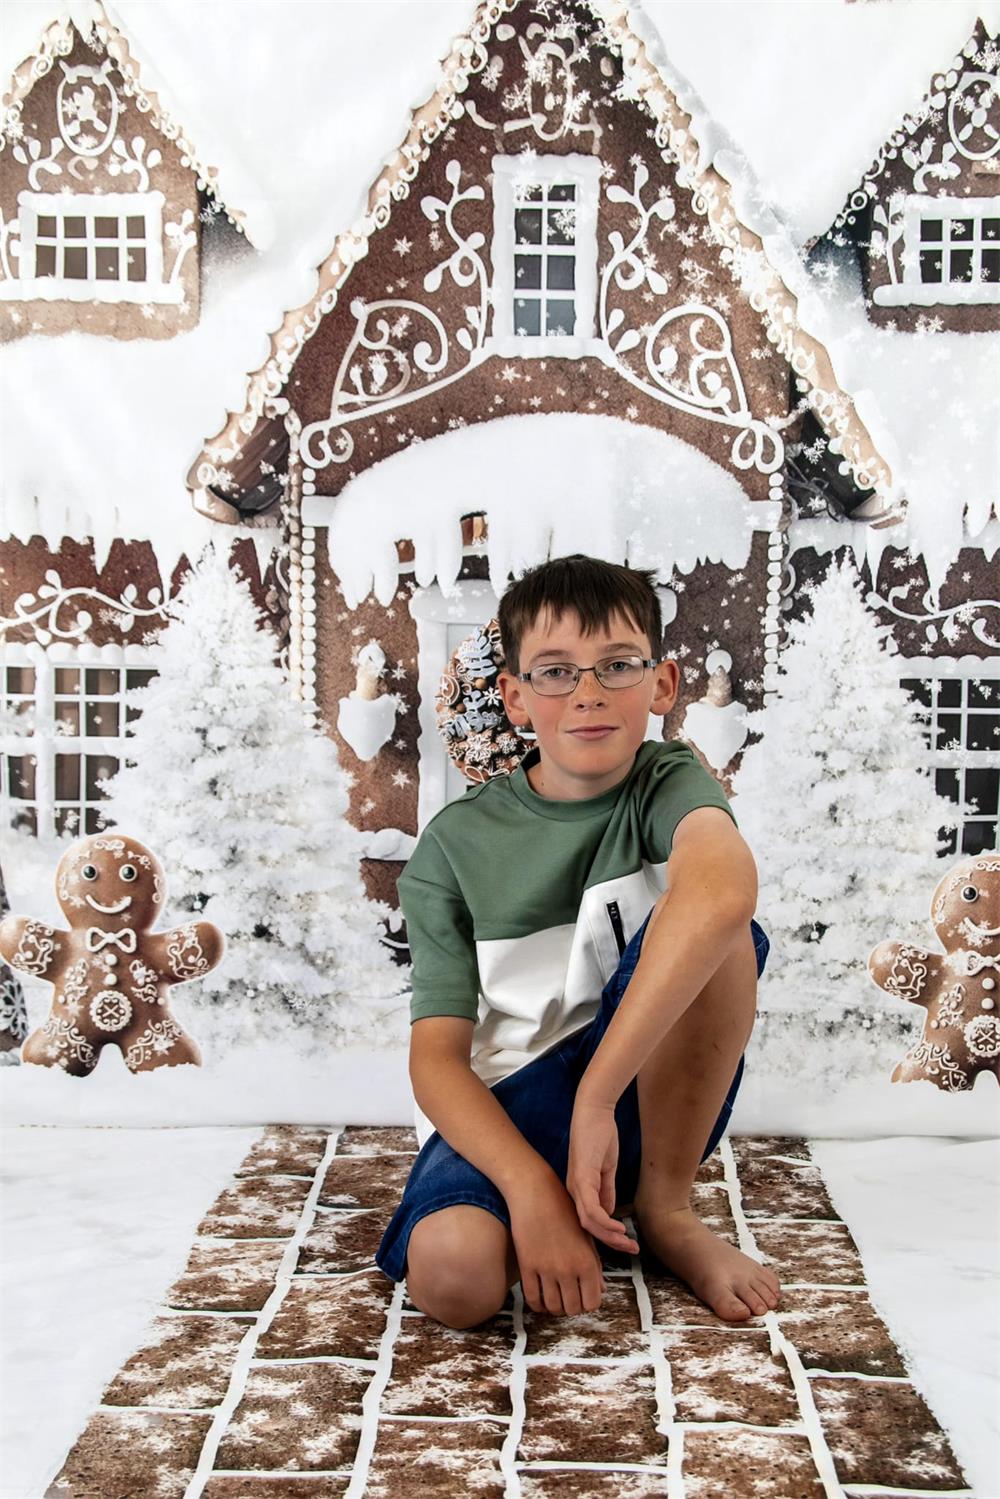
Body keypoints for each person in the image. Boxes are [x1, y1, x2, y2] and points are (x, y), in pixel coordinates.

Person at [375, 553, 778, 1329]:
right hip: (504, 1109)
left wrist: (596, 1095)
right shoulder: (453, 848)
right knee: (456, 1280)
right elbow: (435, 1060)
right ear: (516, 699)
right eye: (556, 672)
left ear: (662, 685)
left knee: (724, 927)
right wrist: (529, 1190)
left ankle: (663, 1209)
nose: (588, 693)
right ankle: (555, 1195)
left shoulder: (667, 781)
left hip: (636, 1096)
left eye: (617, 665)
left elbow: (725, 889)